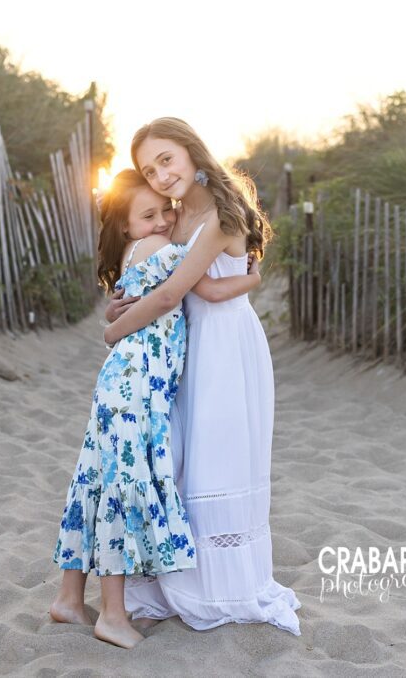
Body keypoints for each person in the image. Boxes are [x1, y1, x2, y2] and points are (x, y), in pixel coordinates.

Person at [103, 118, 301, 636]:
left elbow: (181, 294)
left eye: (167, 159)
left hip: (226, 345)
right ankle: (180, 576)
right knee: (185, 456)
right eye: (150, 168)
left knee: (219, 456)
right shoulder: (174, 214)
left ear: (191, 152)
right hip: (188, 343)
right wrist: (120, 304)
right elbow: (171, 283)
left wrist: (113, 333)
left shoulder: (219, 213)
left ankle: (221, 586)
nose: (161, 175)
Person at [49, 169, 262, 649]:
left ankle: (68, 597)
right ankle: (113, 615)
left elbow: (125, 302)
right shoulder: (160, 252)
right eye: (148, 215)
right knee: (125, 487)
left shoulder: (138, 252)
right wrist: (252, 276)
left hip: (124, 382)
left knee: (96, 480)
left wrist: (112, 321)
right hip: (137, 384)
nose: (163, 220)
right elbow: (203, 290)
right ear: (126, 227)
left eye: (165, 210)